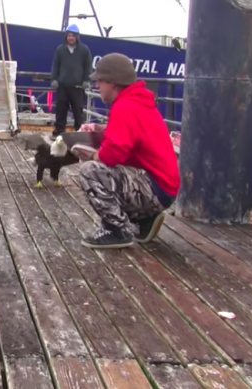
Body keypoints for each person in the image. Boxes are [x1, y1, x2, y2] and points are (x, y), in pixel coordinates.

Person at [72, 53, 180, 249]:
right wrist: (99, 130)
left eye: (100, 81)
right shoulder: (136, 102)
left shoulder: (125, 107)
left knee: (91, 171)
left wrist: (91, 154)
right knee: (107, 171)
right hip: (163, 187)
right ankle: (144, 219)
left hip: (155, 188)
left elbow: (113, 155)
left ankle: (116, 230)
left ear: (112, 82)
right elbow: (129, 136)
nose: (97, 86)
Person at [50, 24, 92, 138]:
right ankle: (59, 131)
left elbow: (88, 66)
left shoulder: (84, 50)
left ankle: (79, 132)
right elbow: (56, 66)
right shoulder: (60, 49)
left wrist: (86, 80)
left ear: (77, 37)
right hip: (62, 86)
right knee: (60, 110)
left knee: (78, 111)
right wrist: (54, 79)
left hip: (77, 87)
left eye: (73, 36)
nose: (71, 38)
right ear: (66, 37)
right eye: (69, 35)